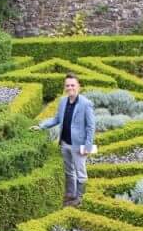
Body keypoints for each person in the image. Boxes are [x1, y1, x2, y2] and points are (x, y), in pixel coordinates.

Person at [31, 74, 96, 206]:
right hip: (65, 142)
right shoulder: (62, 101)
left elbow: (91, 126)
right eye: (67, 85)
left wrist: (88, 146)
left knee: (81, 173)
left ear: (78, 86)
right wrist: (41, 126)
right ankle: (70, 194)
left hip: (78, 145)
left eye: (73, 85)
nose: (70, 87)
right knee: (69, 170)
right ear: (65, 87)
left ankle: (79, 198)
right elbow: (56, 119)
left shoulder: (85, 103)